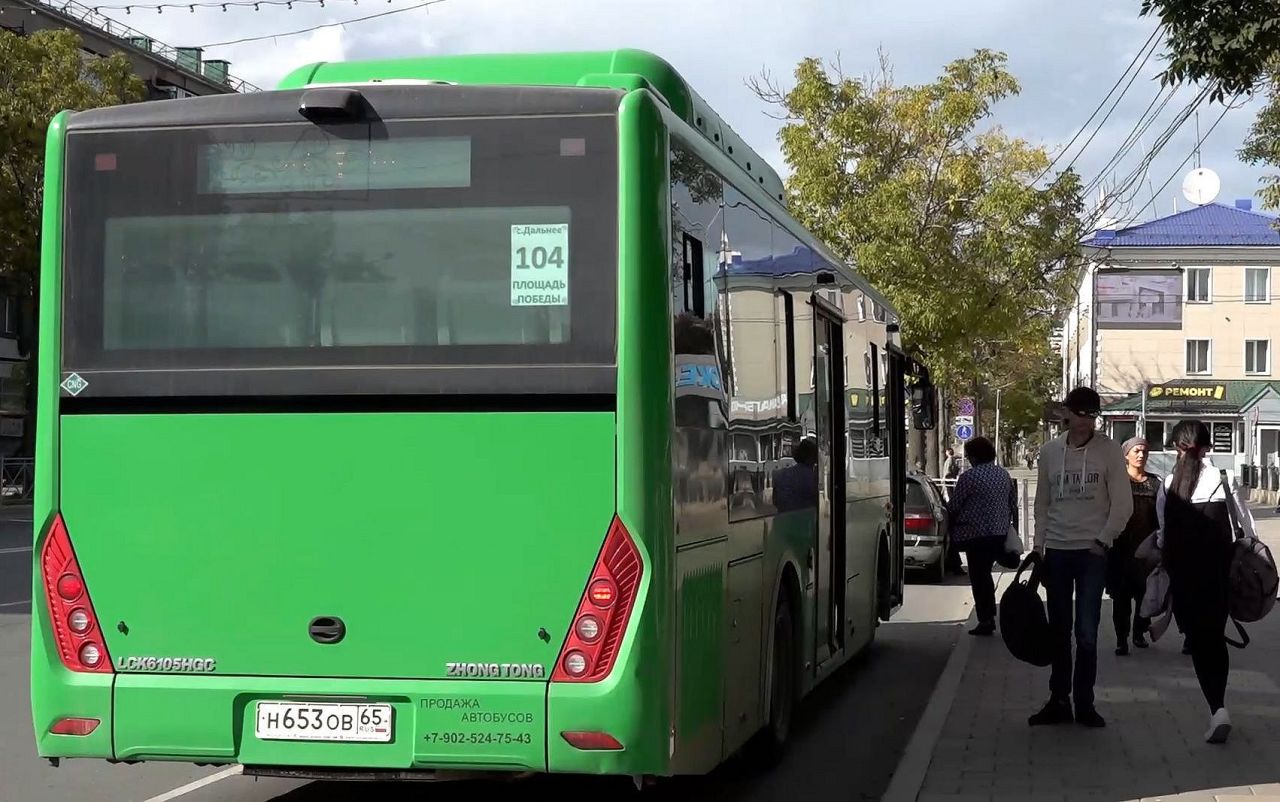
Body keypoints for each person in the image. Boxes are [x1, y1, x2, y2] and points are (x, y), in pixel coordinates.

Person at [1030, 387, 1133, 729]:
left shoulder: (1110, 452)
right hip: (1058, 551)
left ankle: (1085, 703)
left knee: (1086, 632)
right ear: (1067, 413)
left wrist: (1103, 541)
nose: (1086, 422)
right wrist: (1038, 546)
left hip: (1092, 554)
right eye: (1081, 414)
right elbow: (1042, 504)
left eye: (1092, 416)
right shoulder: (1049, 453)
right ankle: (1058, 699)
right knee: (1059, 630)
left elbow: (1123, 504)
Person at [1156, 420, 1256, 744]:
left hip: (1184, 577)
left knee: (1199, 643)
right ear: (1208, 447)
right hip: (1218, 573)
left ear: (1176, 447)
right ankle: (1219, 707)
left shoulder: (1169, 483)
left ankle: (1216, 708)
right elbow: (1245, 525)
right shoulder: (1222, 478)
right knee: (1215, 638)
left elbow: (1162, 534)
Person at [945, 437, 1017, 637]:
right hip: (999, 533)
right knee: (985, 575)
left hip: (975, 535)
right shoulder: (1003, 475)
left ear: (974, 456)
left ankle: (986, 619)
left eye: (968, 456)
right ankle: (989, 614)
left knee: (979, 577)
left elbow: (955, 505)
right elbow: (1012, 504)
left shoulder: (969, 477)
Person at [1108, 436, 1160, 656]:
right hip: (1119, 549)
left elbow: (1161, 516)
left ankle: (1139, 633)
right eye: (1136, 451)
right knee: (1121, 598)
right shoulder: (1116, 482)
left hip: (1146, 549)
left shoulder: (1156, 483)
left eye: (1144, 452)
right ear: (1126, 455)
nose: (1141, 455)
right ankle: (1121, 639)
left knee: (1144, 595)